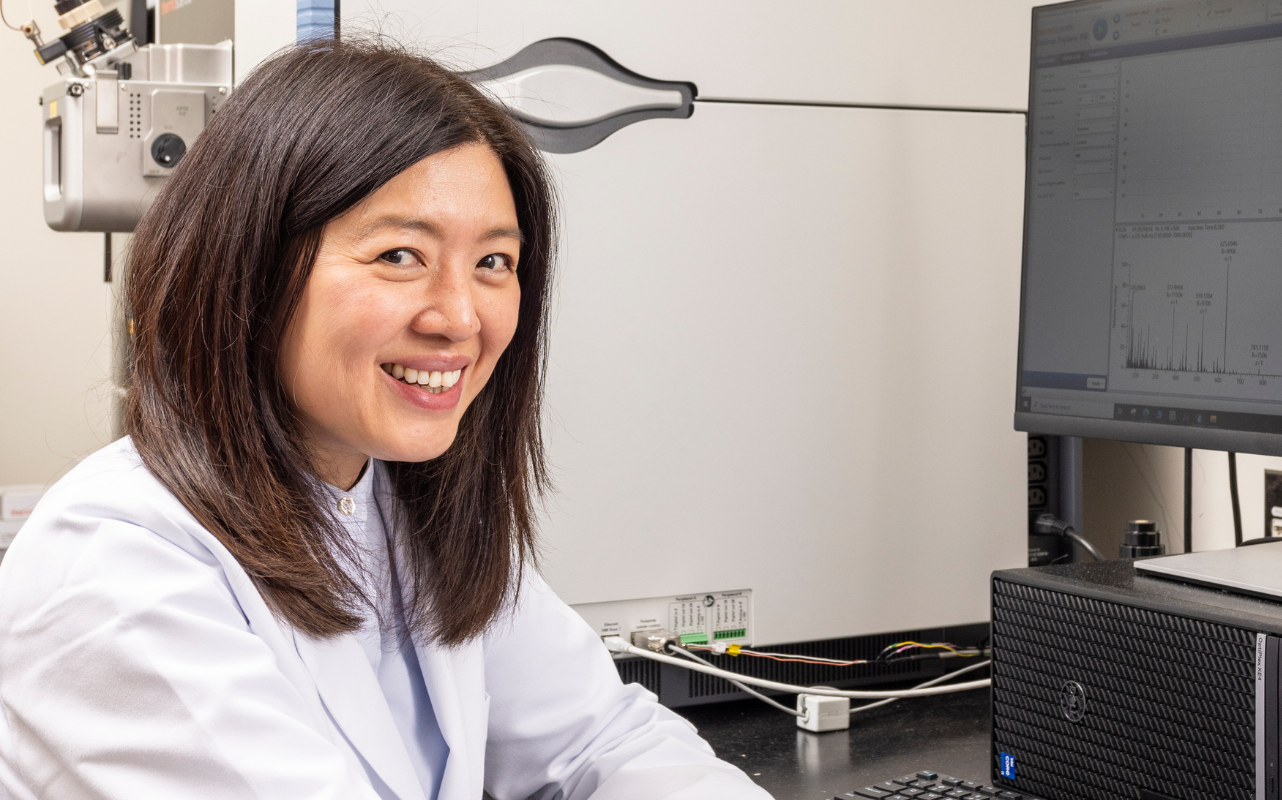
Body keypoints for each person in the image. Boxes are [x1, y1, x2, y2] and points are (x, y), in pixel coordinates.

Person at [0, 40, 772, 800]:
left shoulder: (403, 504)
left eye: (494, 263)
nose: (461, 318)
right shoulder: (114, 571)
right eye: (400, 255)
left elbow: (604, 742)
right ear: (248, 269)